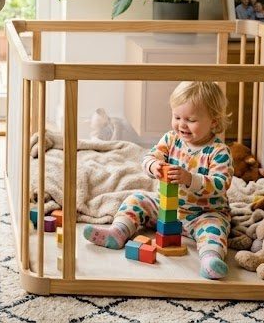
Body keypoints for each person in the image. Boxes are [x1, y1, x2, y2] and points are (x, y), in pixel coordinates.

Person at [82, 81, 233, 280]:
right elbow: (149, 157)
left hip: (204, 213)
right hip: (165, 207)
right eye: (177, 117)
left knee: (214, 229)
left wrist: (190, 179)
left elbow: (221, 184)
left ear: (213, 121)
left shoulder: (219, 151)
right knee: (136, 199)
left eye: (191, 120)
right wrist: (154, 166)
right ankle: (118, 232)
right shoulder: (171, 140)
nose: (181, 124)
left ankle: (210, 259)